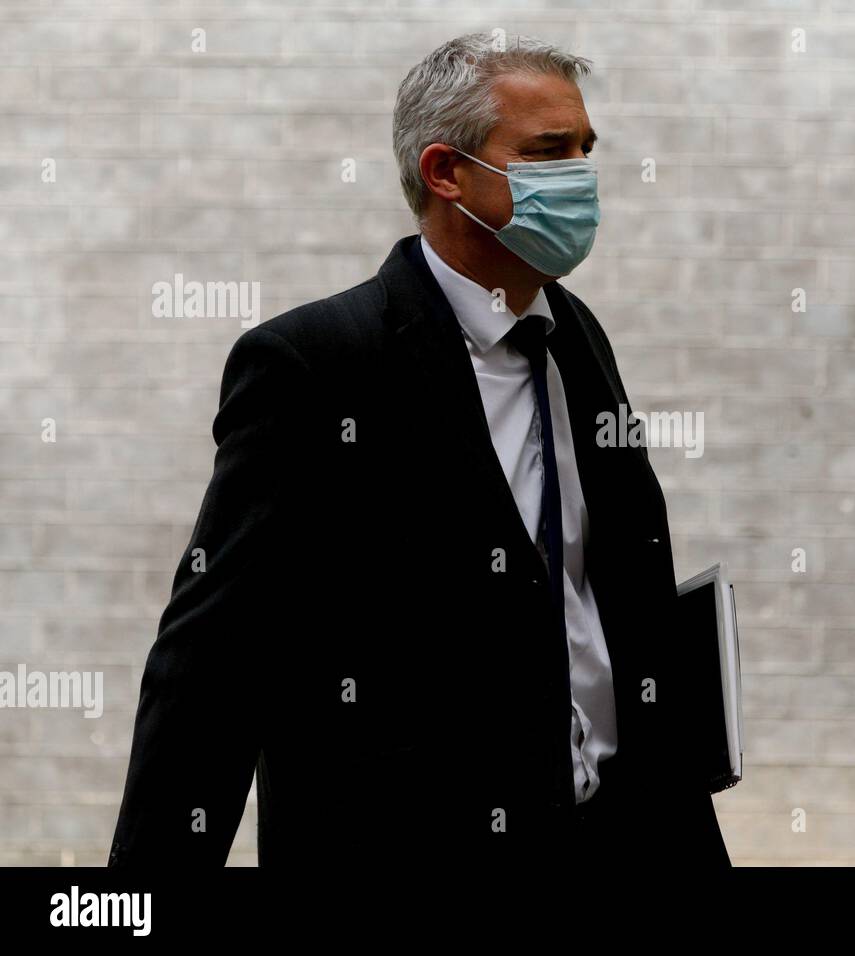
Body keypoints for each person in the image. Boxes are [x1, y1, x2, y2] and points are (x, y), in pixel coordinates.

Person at [107, 32, 730, 870]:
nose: (581, 175)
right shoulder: (315, 365)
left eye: (586, 150)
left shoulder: (576, 338)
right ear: (446, 172)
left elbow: (600, 592)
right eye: (548, 153)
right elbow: (213, 664)